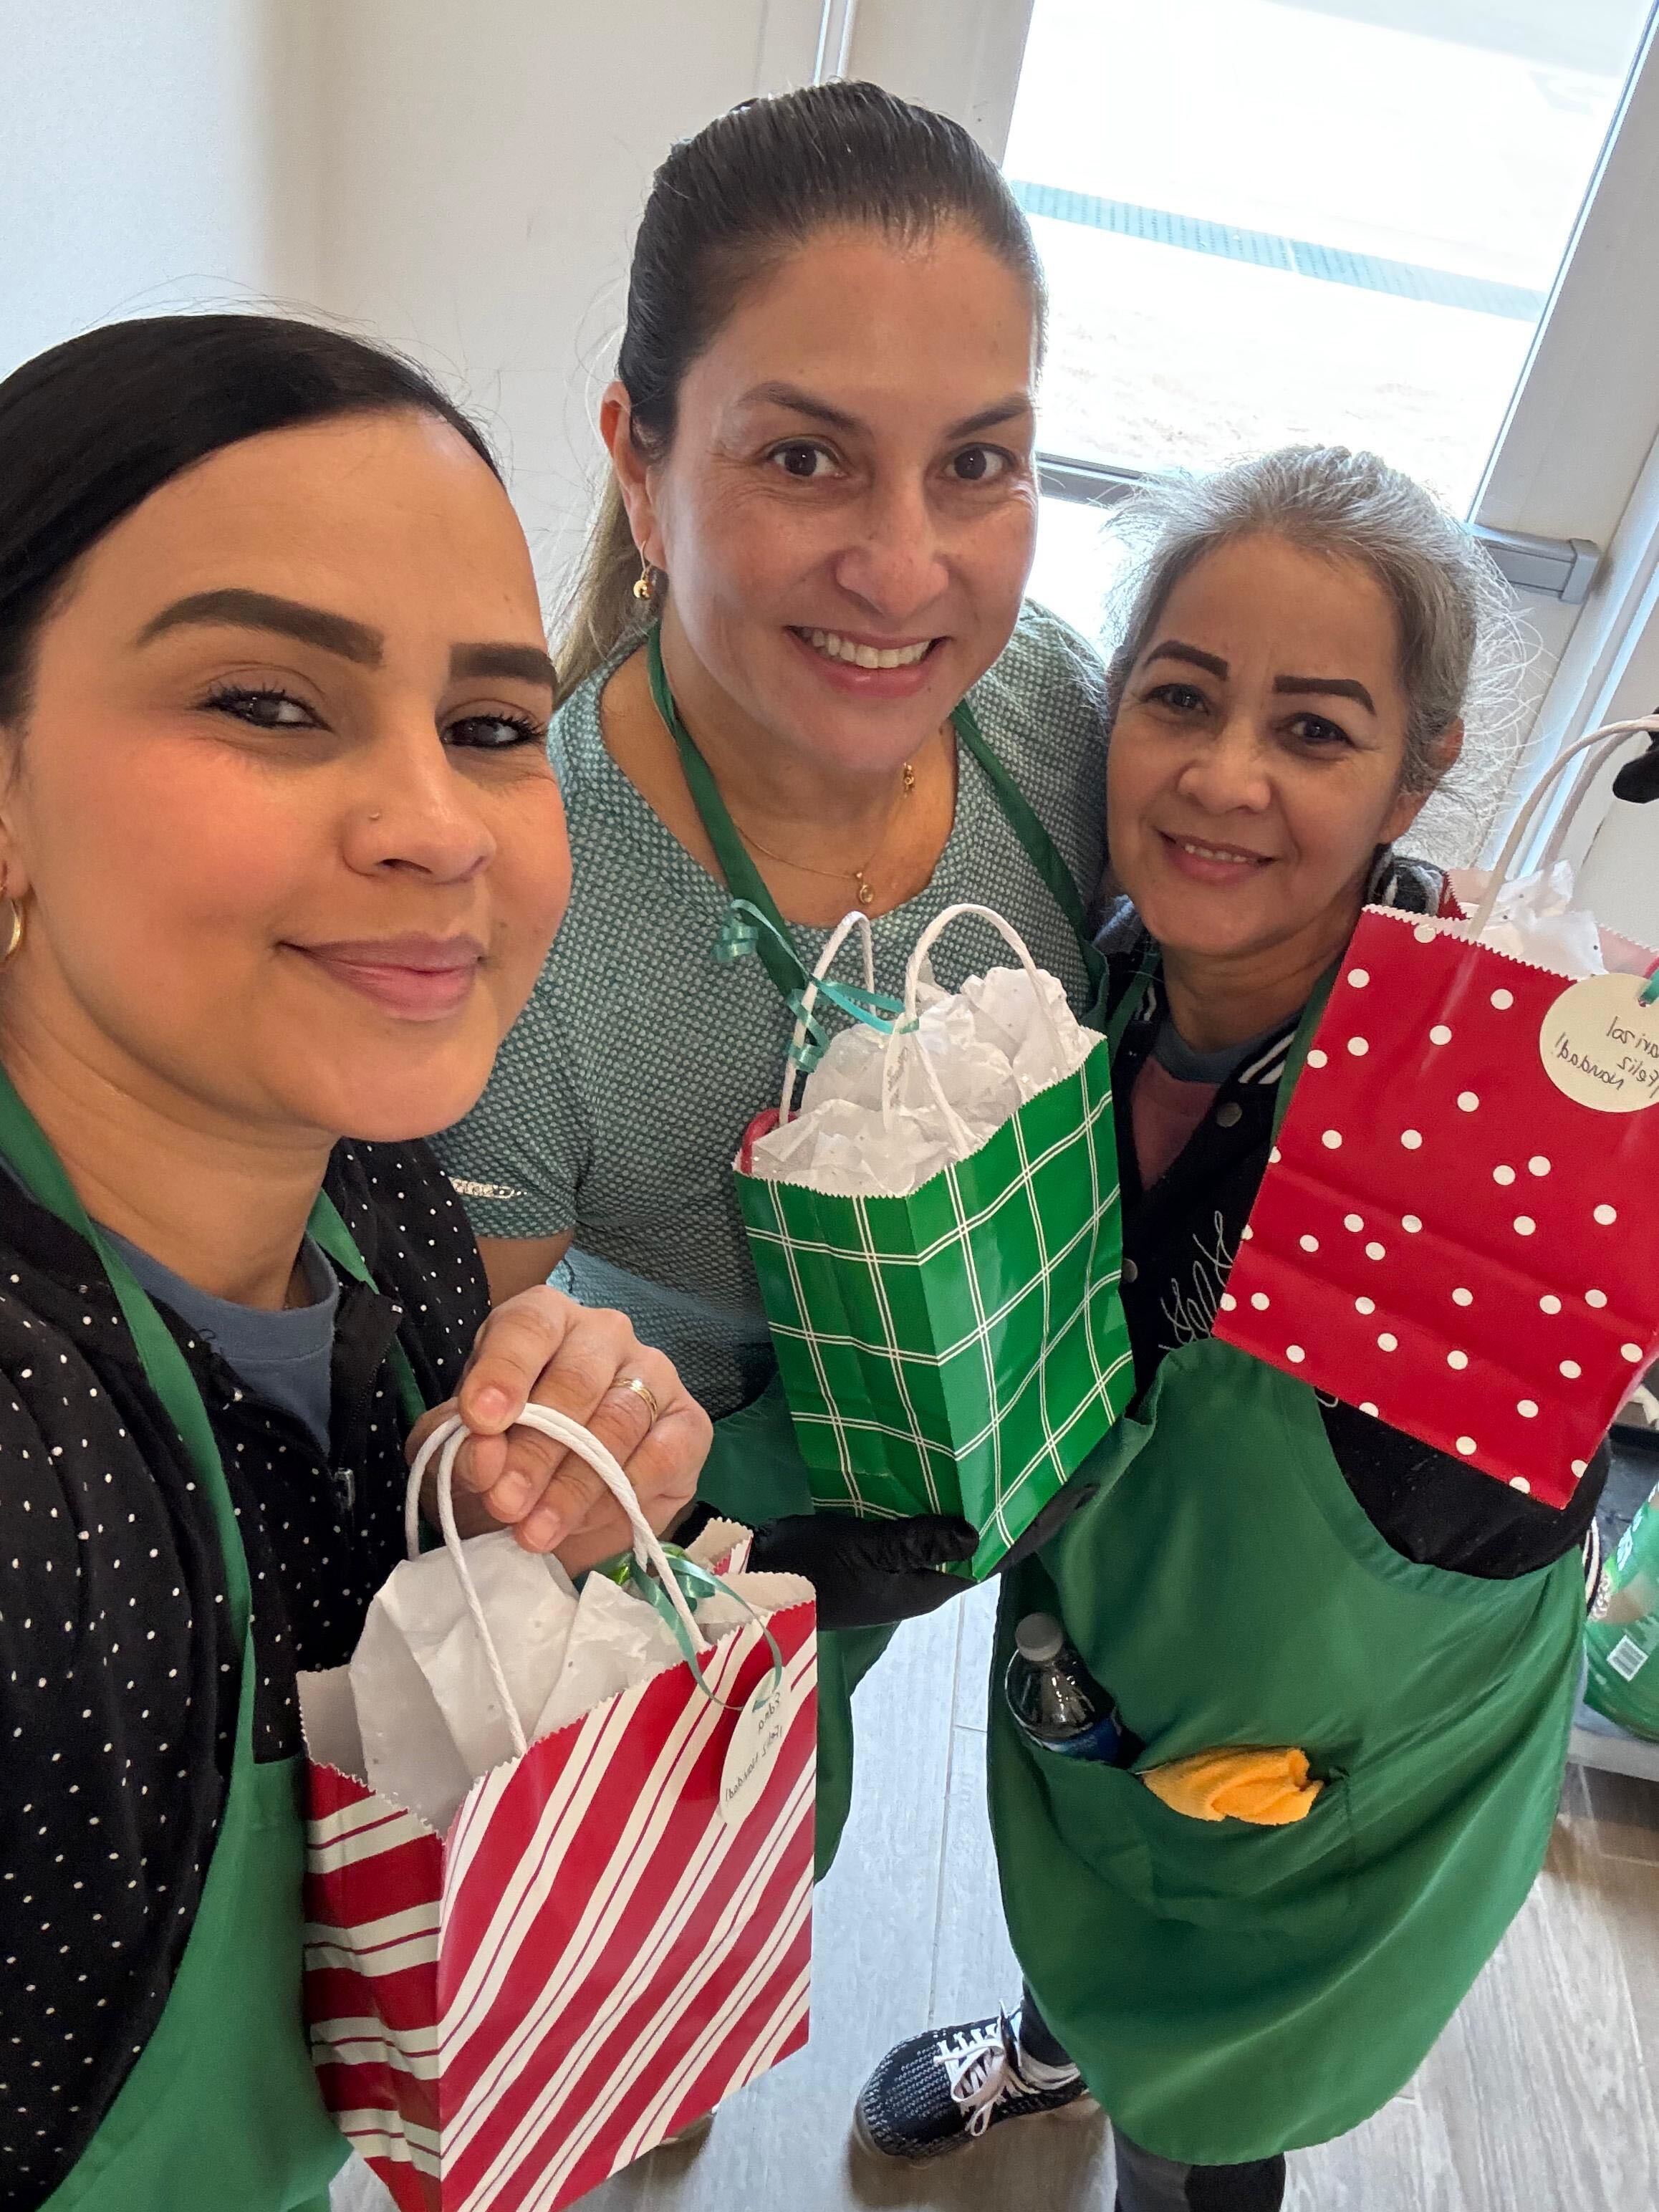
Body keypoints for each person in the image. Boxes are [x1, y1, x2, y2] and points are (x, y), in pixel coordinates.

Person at [0, 313, 711, 2212]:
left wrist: (499, 1503)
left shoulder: (380, 1189)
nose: (434, 826)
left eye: (490, 728)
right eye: (267, 703)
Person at [854, 448, 1607, 2211]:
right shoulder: (1090, 985)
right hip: (1106, 1644)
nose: (1223, 775)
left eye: (1316, 730)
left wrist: (1573, 1226)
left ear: (1418, 771)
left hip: (1316, 1754)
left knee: (1204, 2095)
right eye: (1181, 697)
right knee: (1088, 1889)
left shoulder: (1474, 1115)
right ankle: (1052, 2043)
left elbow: (1487, 1521)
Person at [435, 81, 1115, 1867]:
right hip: (694, 1545)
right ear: (640, 464)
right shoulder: (522, 917)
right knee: (727, 1868)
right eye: (805, 457)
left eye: (978, 463)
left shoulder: (1055, 714)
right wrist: (714, 1523)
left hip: (1011, 1426)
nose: (903, 569)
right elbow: (469, 1448)